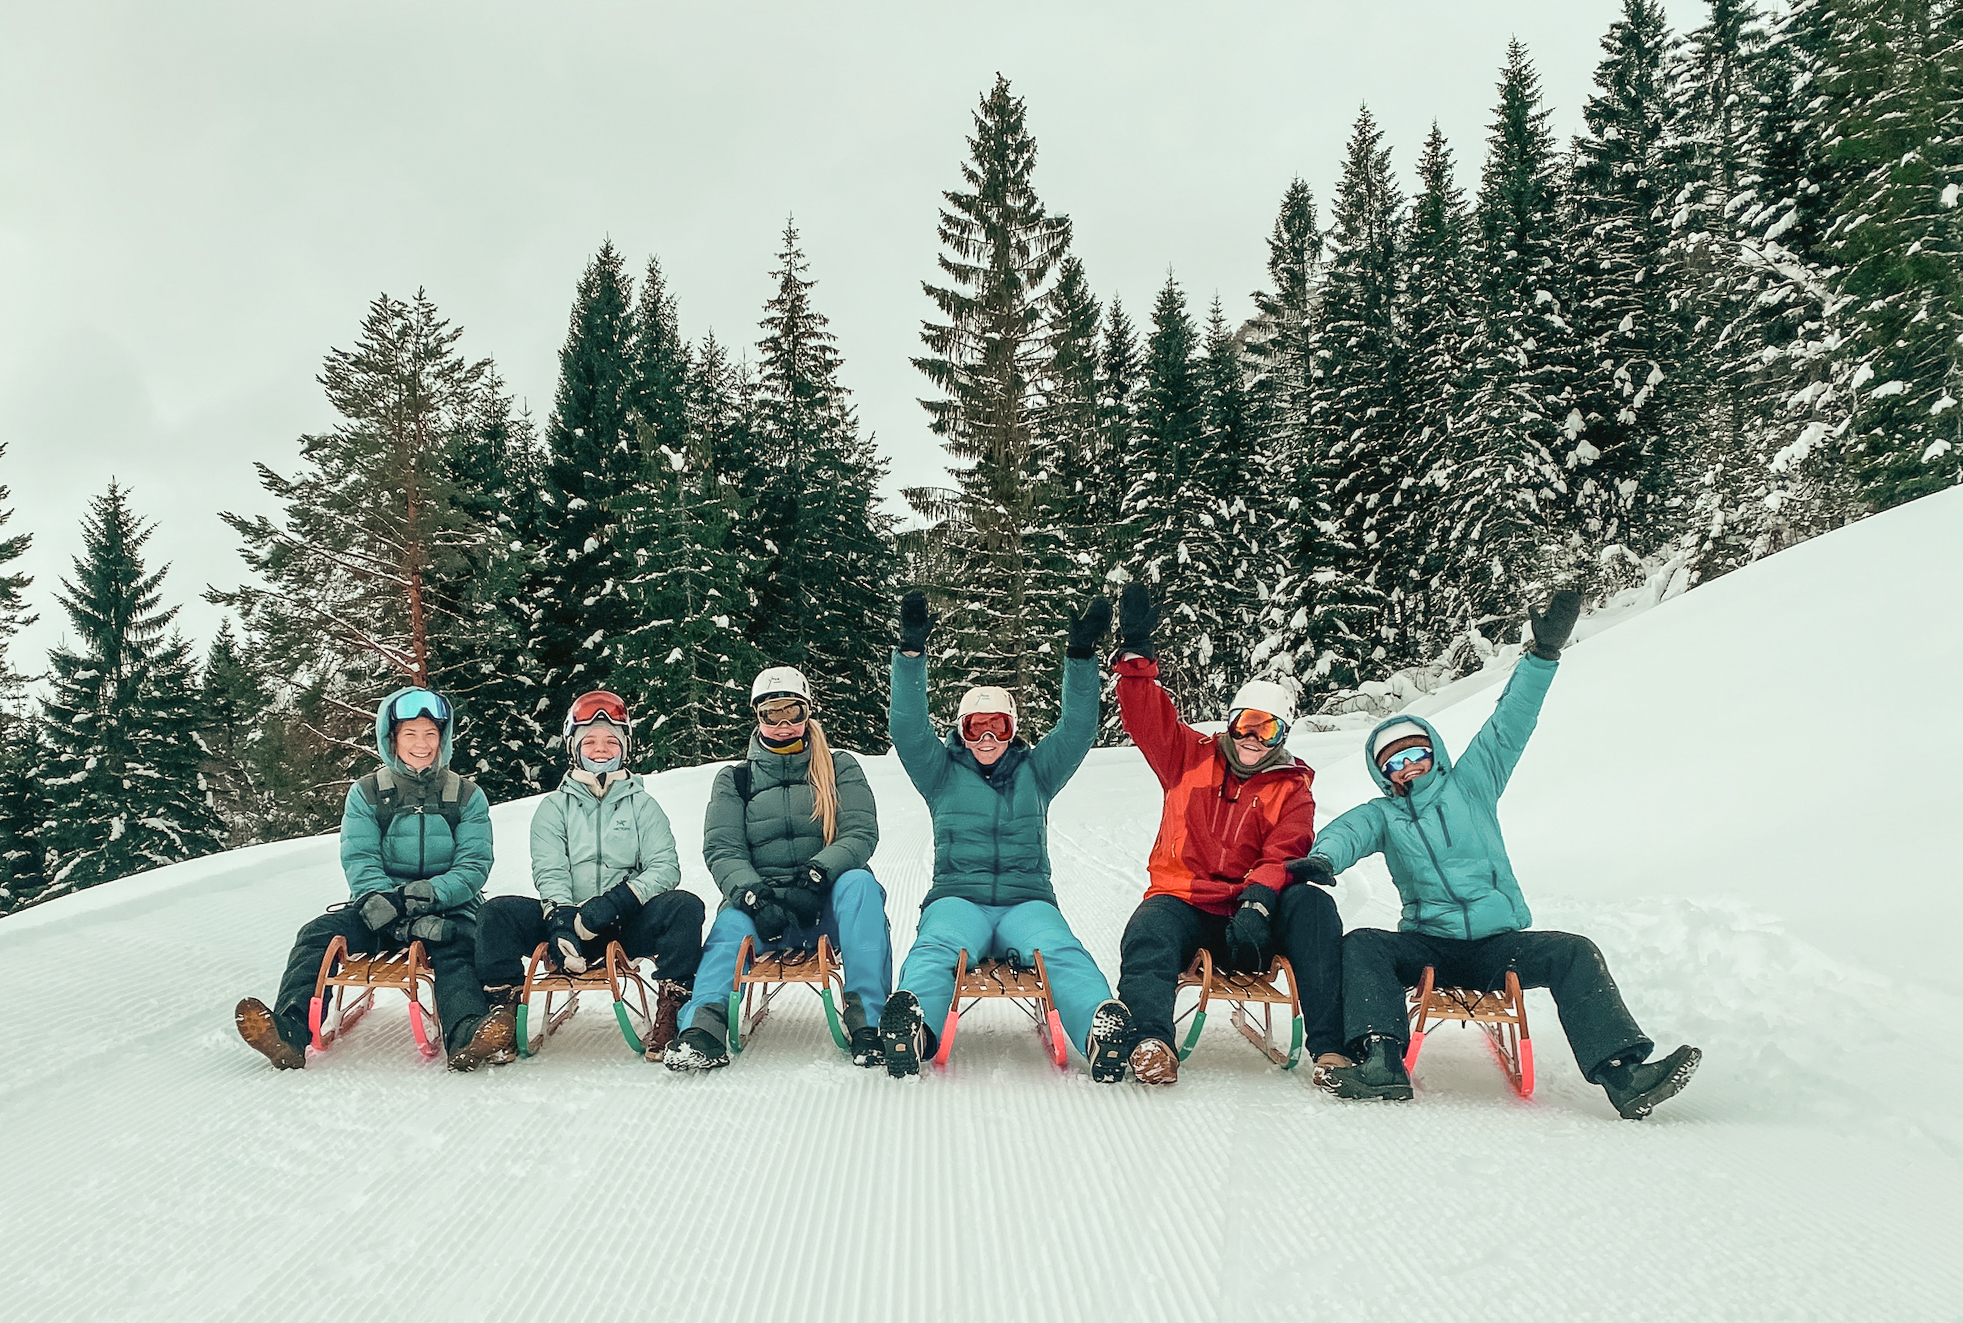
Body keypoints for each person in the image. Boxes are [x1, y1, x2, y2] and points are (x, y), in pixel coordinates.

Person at [1297, 591, 1702, 1120]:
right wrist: (1325, 858)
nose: (1410, 766)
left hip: (1498, 946)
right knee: (1364, 945)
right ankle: (1381, 1062)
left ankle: (1624, 1075)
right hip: (1429, 949)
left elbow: (1510, 724)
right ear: (1383, 773)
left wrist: (1543, 656)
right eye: (1395, 762)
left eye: (1418, 752)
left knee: (1574, 950)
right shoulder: (1383, 815)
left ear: (1434, 753)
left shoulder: (1472, 783)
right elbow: (1348, 831)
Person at [879, 589, 1130, 1082]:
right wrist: (910, 655)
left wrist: (1080, 658)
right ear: (961, 731)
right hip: (958, 897)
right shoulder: (940, 773)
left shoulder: (1038, 772)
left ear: (1014, 730)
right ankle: (914, 1029)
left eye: (998, 727)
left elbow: (1078, 729)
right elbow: (907, 729)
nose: (987, 739)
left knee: (1059, 949)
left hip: (1026, 902)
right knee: (937, 947)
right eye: (976, 728)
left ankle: (1101, 1032)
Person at [1105, 583, 1343, 1086]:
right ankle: (1151, 1040)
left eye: (1268, 729)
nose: (1254, 738)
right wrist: (1137, 657)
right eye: (1246, 725)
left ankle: (1331, 1050)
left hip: (1255, 912)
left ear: (1284, 734)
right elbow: (1147, 717)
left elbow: (1289, 848)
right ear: (1230, 725)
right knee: (1149, 929)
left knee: (1315, 907)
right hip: (1187, 900)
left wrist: (1259, 901)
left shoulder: (1293, 787)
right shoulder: (1188, 757)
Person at [235, 686, 511, 1071]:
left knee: (458, 952)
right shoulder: (367, 793)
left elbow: (473, 865)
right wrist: (386, 904)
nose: (421, 744)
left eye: (430, 734)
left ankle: (469, 1034)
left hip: (447, 909)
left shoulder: (465, 795)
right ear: (392, 738)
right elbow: (360, 857)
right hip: (379, 908)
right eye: (410, 734)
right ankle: (289, 1031)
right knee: (317, 935)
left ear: (443, 739)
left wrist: (428, 896)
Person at [665, 665, 892, 1070]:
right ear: (758, 717)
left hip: (825, 904)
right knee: (730, 926)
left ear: (808, 713)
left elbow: (860, 832)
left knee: (860, 885)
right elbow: (722, 848)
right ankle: (702, 1028)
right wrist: (754, 897)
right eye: (773, 714)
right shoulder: (735, 780)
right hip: (764, 909)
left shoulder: (838, 768)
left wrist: (820, 875)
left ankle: (870, 1024)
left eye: (794, 712)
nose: (785, 725)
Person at [474, 691, 702, 1058]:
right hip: (567, 922)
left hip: (623, 922)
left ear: (625, 748)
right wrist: (562, 920)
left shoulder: (642, 805)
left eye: (611, 741)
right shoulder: (554, 808)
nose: (600, 749)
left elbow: (665, 867)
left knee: (685, 906)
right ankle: (503, 1008)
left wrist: (618, 901)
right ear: (573, 746)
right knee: (495, 913)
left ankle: (672, 1006)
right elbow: (550, 869)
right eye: (590, 741)